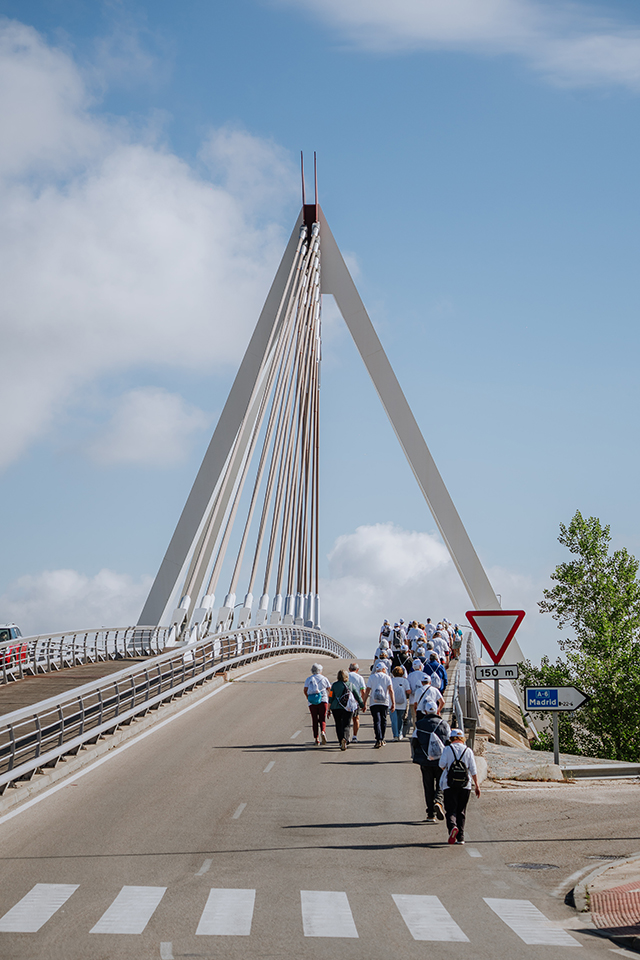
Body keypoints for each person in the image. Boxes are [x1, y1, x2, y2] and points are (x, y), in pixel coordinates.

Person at [439, 728, 481, 844]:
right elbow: (473, 769)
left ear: (451, 738)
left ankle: (453, 827)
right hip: (465, 785)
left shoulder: (447, 749)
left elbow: (441, 765)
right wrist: (477, 785)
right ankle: (461, 837)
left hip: (449, 784)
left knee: (451, 810)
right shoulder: (468, 751)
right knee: (461, 811)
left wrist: (448, 768)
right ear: (463, 738)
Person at [412, 701, 451, 823]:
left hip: (425, 761)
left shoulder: (419, 724)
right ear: (437, 711)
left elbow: (414, 742)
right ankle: (438, 801)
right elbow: (449, 742)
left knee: (428, 786)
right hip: (441, 761)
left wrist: (417, 756)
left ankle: (430, 814)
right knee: (441, 783)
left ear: (425, 711)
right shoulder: (444, 724)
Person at [329, 670, 364, 750]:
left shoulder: (334, 685)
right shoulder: (351, 685)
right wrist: (362, 705)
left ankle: (341, 740)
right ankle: (345, 739)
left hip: (336, 707)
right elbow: (357, 696)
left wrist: (328, 709)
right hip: (348, 707)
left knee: (338, 724)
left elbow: (330, 697)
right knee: (346, 724)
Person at [363, 661, 395, 747]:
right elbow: (391, 690)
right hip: (385, 702)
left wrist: (364, 702)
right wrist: (393, 703)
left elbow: (367, 691)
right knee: (383, 720)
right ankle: (382, 738)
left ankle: (378, 739)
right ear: (384, 669)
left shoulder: (372, 677)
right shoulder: (387, 678)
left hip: (374, 702)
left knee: (376, 721)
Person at [303, 663, 331, 745]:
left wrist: (308, 697)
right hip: (323, 700)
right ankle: (323, 731)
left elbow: (305, 690)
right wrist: (330, 698)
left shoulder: (308, 679)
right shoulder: (324, 679)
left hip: (312, 701)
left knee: (314, 719)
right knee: (322, 718)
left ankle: (316, 738)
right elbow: (330, 690)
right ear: (320, 670)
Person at [390, 666, 411, 740]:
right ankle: (400, 734)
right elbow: (408, 691)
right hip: (402, 703)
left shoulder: (391, 680)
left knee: (394, 720)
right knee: (400, 719)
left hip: (392, 703)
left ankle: (395, 735)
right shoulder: (405, 681)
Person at [348, 662, 366, 742]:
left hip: (345, 701)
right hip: (356, 701)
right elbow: (363, 691)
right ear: (357, 670)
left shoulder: (346, 676)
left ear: (349, 669)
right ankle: (354, 736)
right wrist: (363, 703)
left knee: (346, 720)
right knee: (356, 719)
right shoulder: (360, 678)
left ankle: (346, 736)